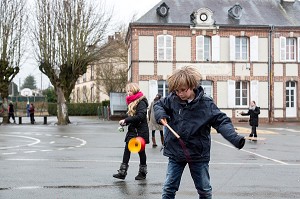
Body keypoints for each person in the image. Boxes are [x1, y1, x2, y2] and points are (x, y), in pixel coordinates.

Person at [154, 66, 246, 199]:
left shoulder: (206, 104)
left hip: (198, 153)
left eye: (183, 90)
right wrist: (160, 115)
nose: (179, 94)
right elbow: (158, 105)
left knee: (204, 190)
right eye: (177, 90)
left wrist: (235, 138)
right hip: (176, 152)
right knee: (169, 188)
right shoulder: (172, 99)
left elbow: (221, 121)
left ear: (192, 86)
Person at [113, 83, 150, 180]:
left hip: (140, 131)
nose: (128, 93)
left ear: (135, 90)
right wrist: (126, 123)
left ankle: (142, 173)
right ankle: (122, 173)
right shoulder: (132, 101)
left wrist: (126, 120)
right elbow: (133, 117)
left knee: (141, 152)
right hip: (133, 130)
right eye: (127, 91)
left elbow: (140, 116)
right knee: (127, 150)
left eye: (130, 90)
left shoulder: (141, 102)